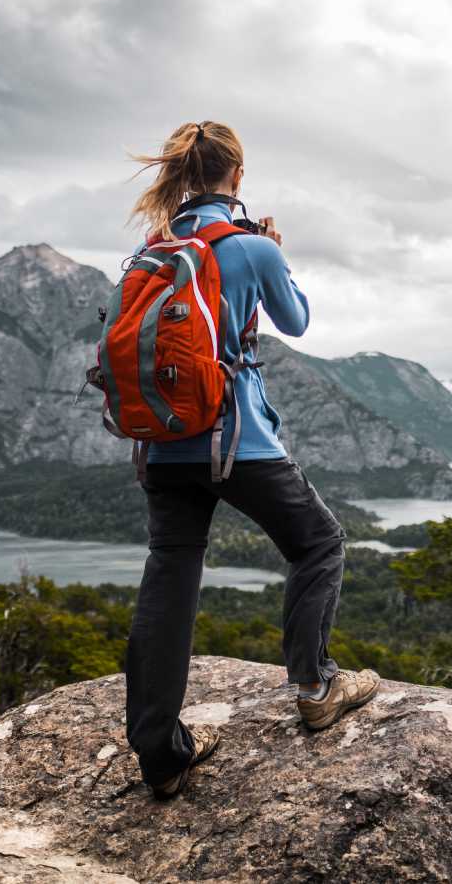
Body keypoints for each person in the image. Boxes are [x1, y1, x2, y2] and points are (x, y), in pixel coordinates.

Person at [122, 121, 381, 800]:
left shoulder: (152, 249)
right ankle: (316, 687)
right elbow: (295, 320)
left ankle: (160, 753)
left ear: (180, 177)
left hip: (162, 442)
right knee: (318, 540)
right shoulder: (249, 247)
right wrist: (272, 253)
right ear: (237, 177)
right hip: (237, 440)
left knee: (170, 575)